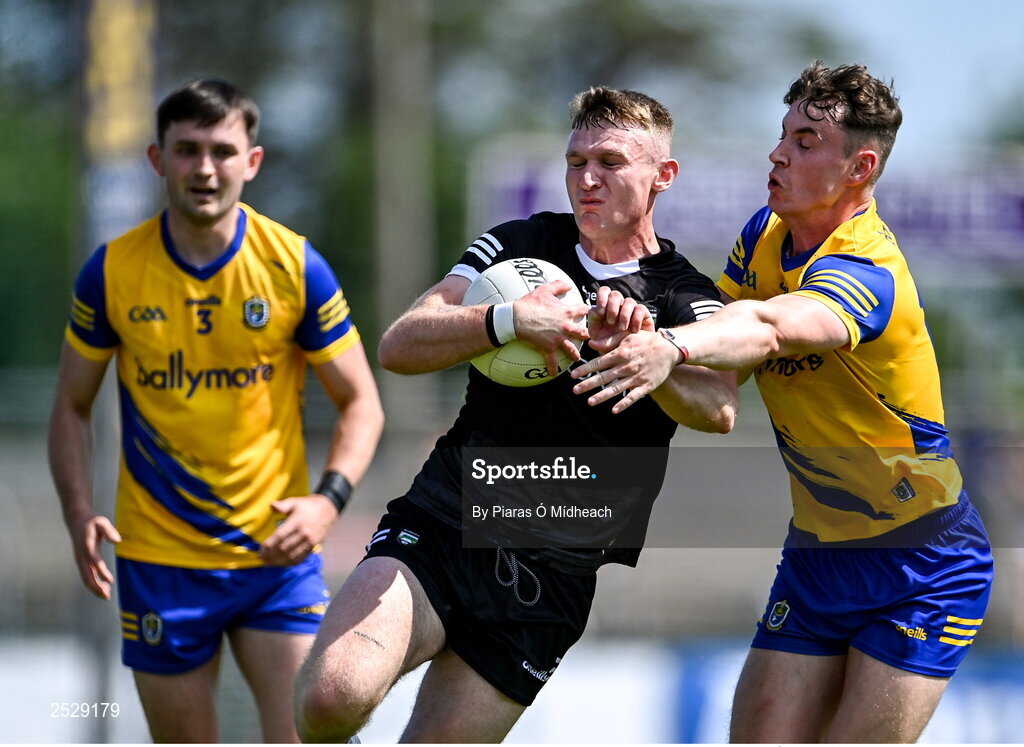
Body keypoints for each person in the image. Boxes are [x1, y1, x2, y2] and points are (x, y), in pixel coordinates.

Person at [293, 86, 738, 743]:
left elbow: (720, 405)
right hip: (450, 518)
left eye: (610, 162)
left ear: (661, 175)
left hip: (552, 578)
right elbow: (402, 342)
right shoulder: (521, 245)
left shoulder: (682, 293)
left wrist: (649, 355)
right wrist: (506, 319)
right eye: (575, 160)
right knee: (333, 697)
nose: (586, 178)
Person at [572, 61, 994, 742]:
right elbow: (718, 393)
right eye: (782, 134)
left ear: (858, 168)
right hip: (817, 556)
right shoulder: (761, 235)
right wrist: (638, 347)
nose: (778, 152)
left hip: (925, 564)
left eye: (804, 141)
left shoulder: (868, 269)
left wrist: (670, 346)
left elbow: (765, 328)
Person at [48, 79, 384, 743]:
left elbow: (361, 403)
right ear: (157, 159)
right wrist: (79, 510)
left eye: (223, 150)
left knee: (307, 733)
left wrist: (327, 502)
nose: (205, 168)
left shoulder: (295, 266)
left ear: (251, 162)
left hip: (274, 556)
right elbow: (69, 405)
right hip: (159, 558)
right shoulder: (112, 271)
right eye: (188, 150)